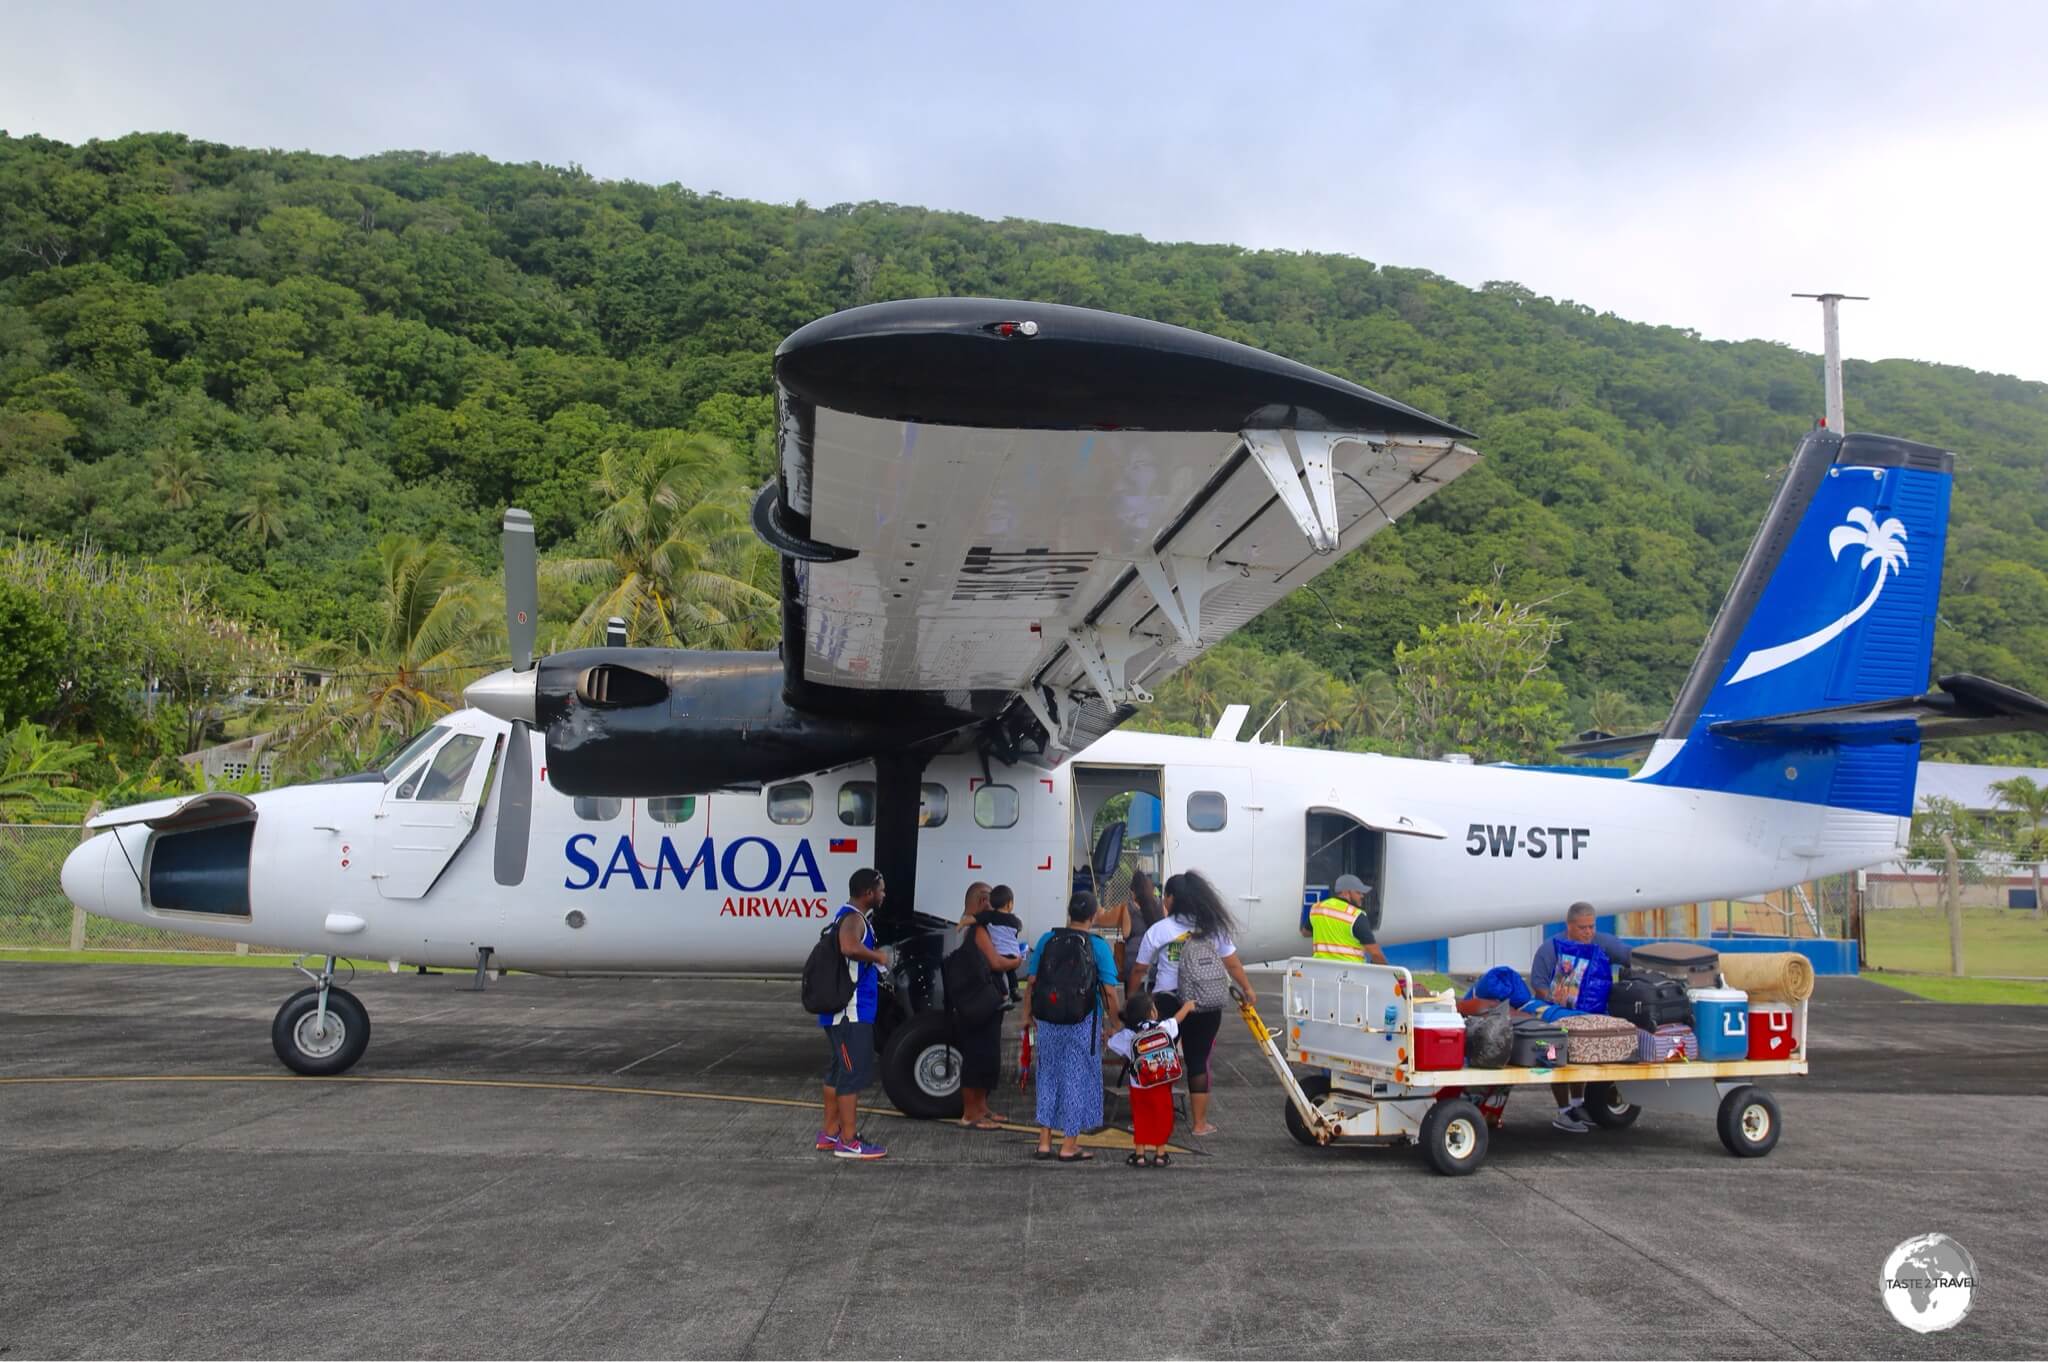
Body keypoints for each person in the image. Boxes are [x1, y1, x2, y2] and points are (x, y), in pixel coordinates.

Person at [1129, 870, 1257, 1138]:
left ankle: (1152, 1118)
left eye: (1165, 896)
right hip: (1204, 1003)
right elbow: (1231, 963)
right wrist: (1247, 988)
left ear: (1173, 898)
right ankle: (1200, 1124)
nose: (1163, 900)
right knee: (1199, 1060)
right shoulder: (1213, 928)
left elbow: (1140, 970)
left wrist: (1131, 1000)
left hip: (1166, 1002)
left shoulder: (1160, 930)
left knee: (1156, 1058)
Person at [1021, 891, 1122, 1162]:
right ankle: (1069, 1145)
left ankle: (1044, 1142)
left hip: (1048, 1021)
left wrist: (1027, 1015)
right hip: (1083, 1021)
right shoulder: (1098, 946)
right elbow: (1110, 992)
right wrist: (1116, 1024)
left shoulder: (1047, 939)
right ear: (1093, 916)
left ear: (1068, 913)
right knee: (1077, 1078)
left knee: (1048, 1075)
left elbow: (1032, 982)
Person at [1530, 901, 1633, 1133]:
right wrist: (1560, 1000)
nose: (1588, 932)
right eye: (1582, 928)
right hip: (1555, 1017)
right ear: (1569, 926)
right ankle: (1564, 1110)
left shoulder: (1601, 943)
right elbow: (1538, 986)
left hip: (1590, 1018)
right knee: (1555, 1059)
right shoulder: (1550, 948)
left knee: (1581, 1059)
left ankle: (1579, 1104)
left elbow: (1629, 956)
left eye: (1591, 927)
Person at [817, 868, 893, 1159]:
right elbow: (849, 946)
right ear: (868, 892)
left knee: (838, 1071)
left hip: (843, 1013)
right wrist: (879, 957)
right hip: (851, 1013)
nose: (883, 894)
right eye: (881, 889)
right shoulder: (854, 918)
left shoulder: (847, 915)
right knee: (852, 1073)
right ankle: (849, 1141)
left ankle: (830, 1133)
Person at [957, 884, 1023, 1131]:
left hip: (987, 1002)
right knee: (976, 1056)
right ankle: (970, 1114)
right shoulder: (979, 930)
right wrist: (1017, 961)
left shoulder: (979, 927)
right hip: (977, 1004)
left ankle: (982, 1108)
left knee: (987, 1055)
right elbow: (996, 962)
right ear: (984, 900)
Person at [1107, 991, 1196, 1166]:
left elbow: (1113, 1044)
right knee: (1161, 1116)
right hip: (1162, 1083)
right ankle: (1160, 1154)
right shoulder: (1162, 1028)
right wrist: (1187, 1007)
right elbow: (1177, 1019)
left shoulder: (1128, 1035)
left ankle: (1139, 1154)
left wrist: (1110, 1033)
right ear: (1153, 1013)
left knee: (1141, 1117)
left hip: (1139, 1084)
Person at [1303, 874, 1388, 965]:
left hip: (1322, 970)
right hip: (1350, 973)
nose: (1362, 896)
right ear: (1347, 892)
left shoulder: (1318, 908)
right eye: (1358, 892)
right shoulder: (1356, 916)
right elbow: (1375, 954)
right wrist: (1387, 971)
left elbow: (1305, 933)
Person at [984, 884, 1026, 1003]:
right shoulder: (1014, 919)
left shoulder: (990, 917)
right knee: (1011, 972)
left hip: (997, 953)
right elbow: (1018, 929)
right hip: (1012, 952)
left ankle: (1003, 993)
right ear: (1009, 904)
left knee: (997, 974)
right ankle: (1014, 990)